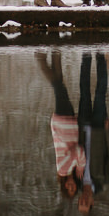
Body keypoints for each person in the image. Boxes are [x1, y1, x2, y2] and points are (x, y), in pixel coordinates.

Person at [36, 50, 86, 199]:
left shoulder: (63, 170)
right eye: (73, 188)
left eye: (68, 188)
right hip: (69, 123)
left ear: (63, 185)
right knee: (60, 84)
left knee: (58, 87)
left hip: (62, 123)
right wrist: (79, 163)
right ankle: (55, 53)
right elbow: (79, 151)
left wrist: (81, 164)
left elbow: (78, 151)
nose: (71, 186)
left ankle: (40, 57)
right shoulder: (73, 170)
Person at [76, 52, 109, 215]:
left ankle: (86, 56)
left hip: (83, 128)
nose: (84, 200)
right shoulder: (104, 181)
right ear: (92, 202)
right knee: (100, 94)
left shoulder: (75, 181)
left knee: (84, 92)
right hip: (99, 130)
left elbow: (70, 155)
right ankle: (100, 56)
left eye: (81, 203)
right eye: (86, 203)